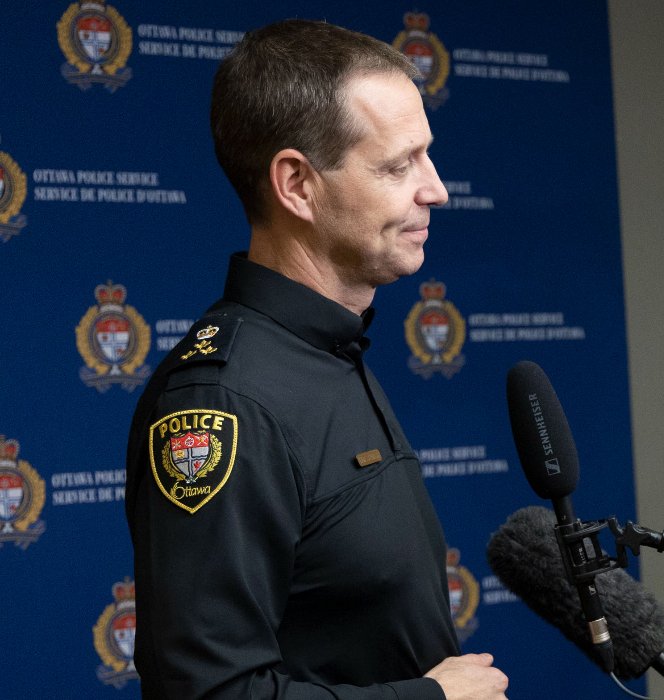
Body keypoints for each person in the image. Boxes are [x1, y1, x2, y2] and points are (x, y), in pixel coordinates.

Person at [124, 20, 508, 700]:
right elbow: (211, 694)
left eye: (428, 156)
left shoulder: (332, 349)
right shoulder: (225, 402)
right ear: (297, 185)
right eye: (398, 165)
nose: (437, 189)